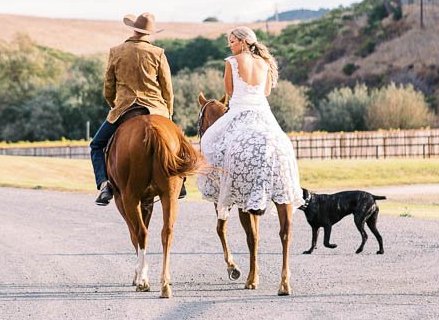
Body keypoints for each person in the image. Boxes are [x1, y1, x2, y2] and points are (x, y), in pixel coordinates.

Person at [197, 26, 303, 217]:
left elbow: (229, 91)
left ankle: (221, 190)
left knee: (209, 141)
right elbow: (267, 92)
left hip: (240, 111)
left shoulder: (232, 62)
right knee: (283, 144)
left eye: (232, 42)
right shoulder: (265, 62)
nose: (230, 46)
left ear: (243, 41)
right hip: (263, 113)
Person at [91, 12, 176, 206]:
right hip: (156, 109)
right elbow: (167, 89)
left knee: (96, 145)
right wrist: (168, 113)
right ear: (149, 33)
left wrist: (115, 106)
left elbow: (108, 88)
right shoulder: (158, 53)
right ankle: (181, 181)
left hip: (124, 108)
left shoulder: (116, 51)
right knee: (179, 144)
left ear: (134, 29)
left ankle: (104, 185)